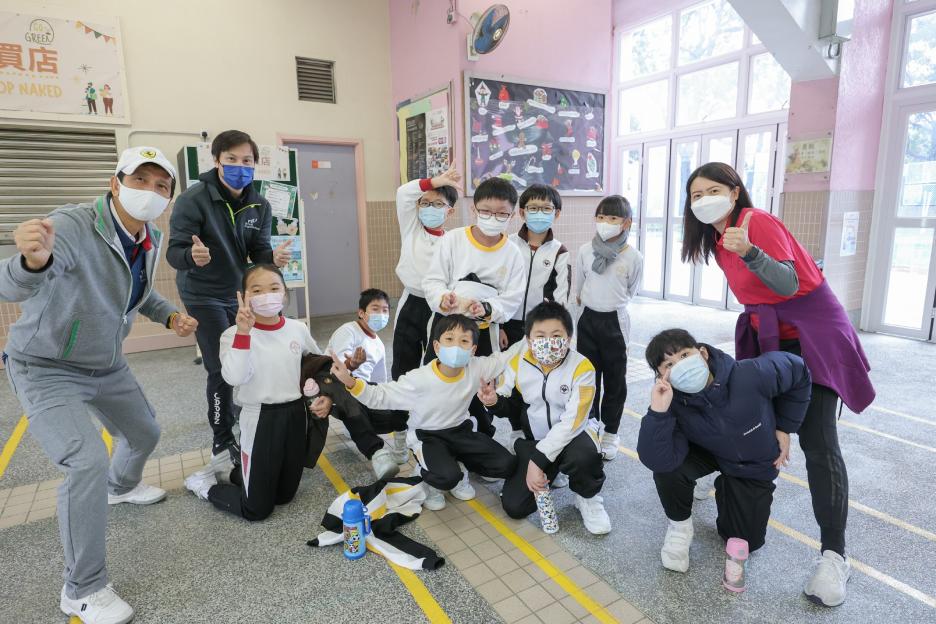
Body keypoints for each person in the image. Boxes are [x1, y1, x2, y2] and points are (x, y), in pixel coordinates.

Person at [0, 146, 198, 624]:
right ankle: (82, 589)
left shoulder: (150, 236)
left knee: (145, 432)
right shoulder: (71, 225)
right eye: (140, 180)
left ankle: (120, 486)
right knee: (84, 461)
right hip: (45, 366)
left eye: (161, 186)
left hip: (106, 365)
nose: (150, 192)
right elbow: (12, 285)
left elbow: (135, 290)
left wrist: (168, 315)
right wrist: (30, 262)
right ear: (115, 183)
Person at [681, 162, 875, 606]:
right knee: (747, 419)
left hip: (812, 334)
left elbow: (787, 283)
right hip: (769, 336)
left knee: (819, 441)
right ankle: (723, 484)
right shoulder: (716, 239)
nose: (704, 200)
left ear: (735, 192)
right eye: (695, 195)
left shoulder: (756, 223)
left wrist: (751, 251)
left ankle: (834, 556)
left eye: (713, 190)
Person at [637, 329, 810, 592]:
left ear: (703, 353)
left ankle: (726, 486)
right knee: (669, 470)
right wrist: (658, 412)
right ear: (662, 376)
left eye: (684, 355)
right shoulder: (674, 403)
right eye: (668, 365)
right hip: (708, 450)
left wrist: (786, 426)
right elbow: (658, 461)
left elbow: (799, 370)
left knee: (745, 541)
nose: (680, 366)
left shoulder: (750, 374)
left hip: (751, 464)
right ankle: (680, 527)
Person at [168, 130, 293, 481]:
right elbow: (174, 253)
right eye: (232, 160)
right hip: (202, 292)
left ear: (255, 163)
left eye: (247, 161)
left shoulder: (260, 204)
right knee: (220, 367)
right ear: (217, 161)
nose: (240, 167)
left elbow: (258, 252)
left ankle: (247, 413)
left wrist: (273, 259)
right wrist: (191, 256)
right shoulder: (193, 200)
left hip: (239, 291)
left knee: (249, 354)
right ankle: (222, 439)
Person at [184, 264, 332, 520]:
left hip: (296, 415)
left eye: (274, 288)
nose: (266, 295)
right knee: (256, 509)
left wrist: (325, 396)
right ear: (244, 296)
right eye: (256, 290)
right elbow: (233, 377)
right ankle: (205, 485)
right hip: (261, 417)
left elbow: (319, 364)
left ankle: (233, 471)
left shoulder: (297, 329)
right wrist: (244, 333)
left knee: (284, 496)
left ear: (284, 293)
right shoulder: (231, 335)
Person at [330, 314, 519, 510]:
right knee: (447, 478)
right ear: (437, 346)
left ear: (472, 350)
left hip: (461, 431)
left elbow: (505, 358)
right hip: (428, 436)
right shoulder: (419, 379)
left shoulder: (476, 367)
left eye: (464, 341)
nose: (456, 346)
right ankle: (428, 474)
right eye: (449, 339)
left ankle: (457, 464)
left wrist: (531, 337)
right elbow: (381, 396)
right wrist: (350, 381)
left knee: (506, 464)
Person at [481, 302, 610, 534]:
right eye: (540, 336)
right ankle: (553, 468)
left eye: (556, 335)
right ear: (529, 340)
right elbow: (508, 403)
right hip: (536, 438)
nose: (548, 342)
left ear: (569, 338)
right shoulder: (518, 363)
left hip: (575, 437)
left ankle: (588, 498)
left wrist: (538, 461)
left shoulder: (582, 367)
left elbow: (573, 422)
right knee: (514, 506)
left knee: (584, 457)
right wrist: (493, 401)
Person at [421, 177, 526, 440]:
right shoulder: (453, 240)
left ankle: (481, 438)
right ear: (473, 209)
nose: (493, 218)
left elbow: (512, 298)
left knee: (481, 387)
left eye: (502, 214)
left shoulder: (512, 253)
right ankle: (433, 437)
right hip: (447, 327)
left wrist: (488, 308)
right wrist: (443, 298)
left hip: (484, 332)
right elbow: (432, 280)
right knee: (438, 382)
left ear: (512, 215)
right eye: (486, 211)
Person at [391, 165, 461, 457]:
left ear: (450, 211)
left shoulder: (454, 241)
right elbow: (402, 193)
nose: (430, 209)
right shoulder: (411, 228)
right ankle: (398, 431)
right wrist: (434, 182)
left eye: (438, 204)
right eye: (425, 203)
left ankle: (426, 431)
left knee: (433, 368)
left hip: (439, 308)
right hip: (411, 302)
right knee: (402, 367)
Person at [497, 184, 570, 451]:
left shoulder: (560, 251)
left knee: (534, 380)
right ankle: (517, 430)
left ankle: (535, 433)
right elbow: (498, 287)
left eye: (546, 209)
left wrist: (552, 332)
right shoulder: (507, 244)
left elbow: (561, 298)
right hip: (509, 324)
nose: (539, 213)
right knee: (510, 378)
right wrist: (499, 325)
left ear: (556, 214)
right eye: (533, 208)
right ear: (521, 212)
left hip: (539, 330)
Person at [574, 195, 643, 461]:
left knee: (615, 381)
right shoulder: (585, 250)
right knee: (588, 377)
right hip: (588, 319)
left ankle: (611, 433)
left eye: (613, 218)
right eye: (601, 217)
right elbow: (579, 286)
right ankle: (590, 426)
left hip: (615, 321)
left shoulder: (633, 256)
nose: (605, 222)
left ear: (626, 223)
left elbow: (632, 290)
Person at [326, 288, 407, 478]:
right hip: (335, 390)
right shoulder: (348, 331)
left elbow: (379, 385)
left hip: (362, 393)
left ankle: (401, 447)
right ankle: (377, 455)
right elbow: (335, 371)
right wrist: (352, 365)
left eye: (385, 310)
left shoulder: (379, 344)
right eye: (375, 309)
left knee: (401, 396)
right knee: (351, 399)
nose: (381, 314)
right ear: (362, 313)